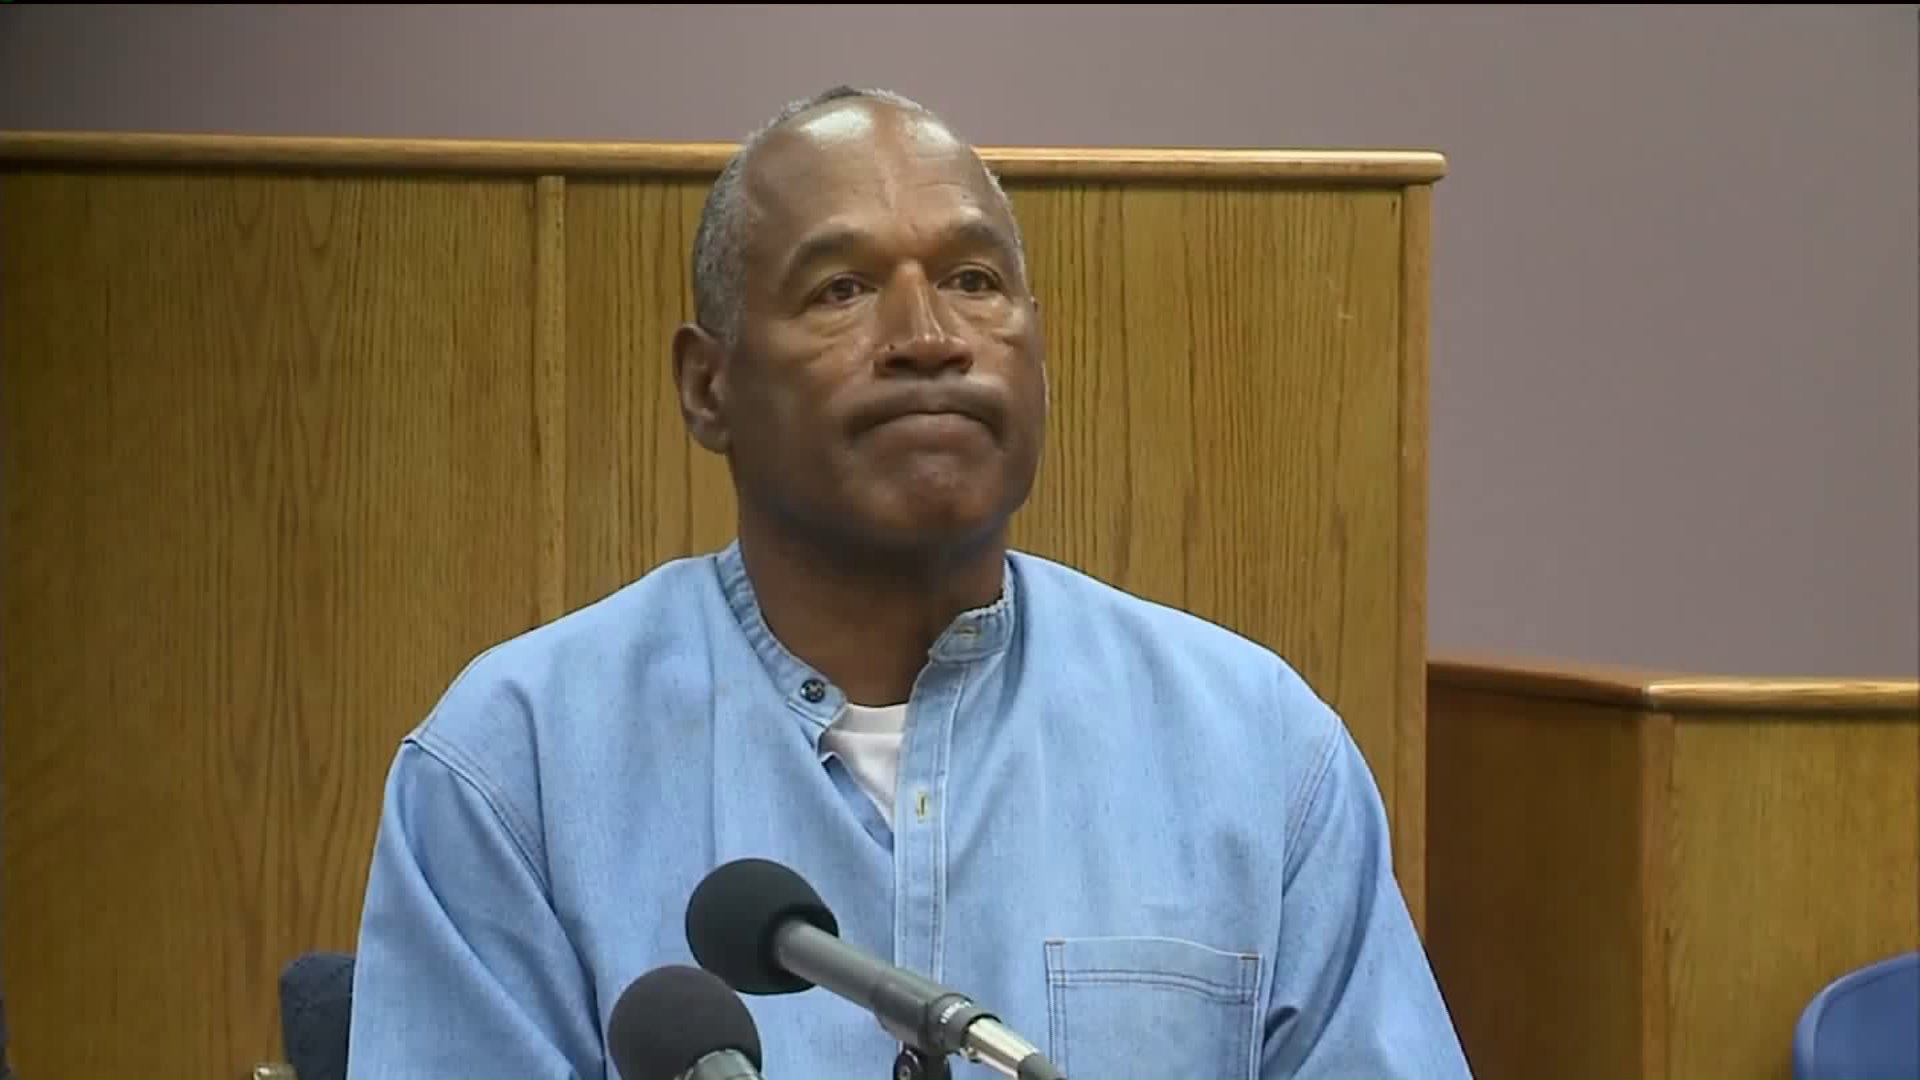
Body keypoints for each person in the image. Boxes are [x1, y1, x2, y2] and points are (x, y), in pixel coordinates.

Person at [346, 86, 1472, 1080]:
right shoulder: (514, 765)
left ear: (1037, 356)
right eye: (841, 290)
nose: (928, 337)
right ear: (708, 388)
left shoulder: (1258, 749)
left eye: (976, 282)